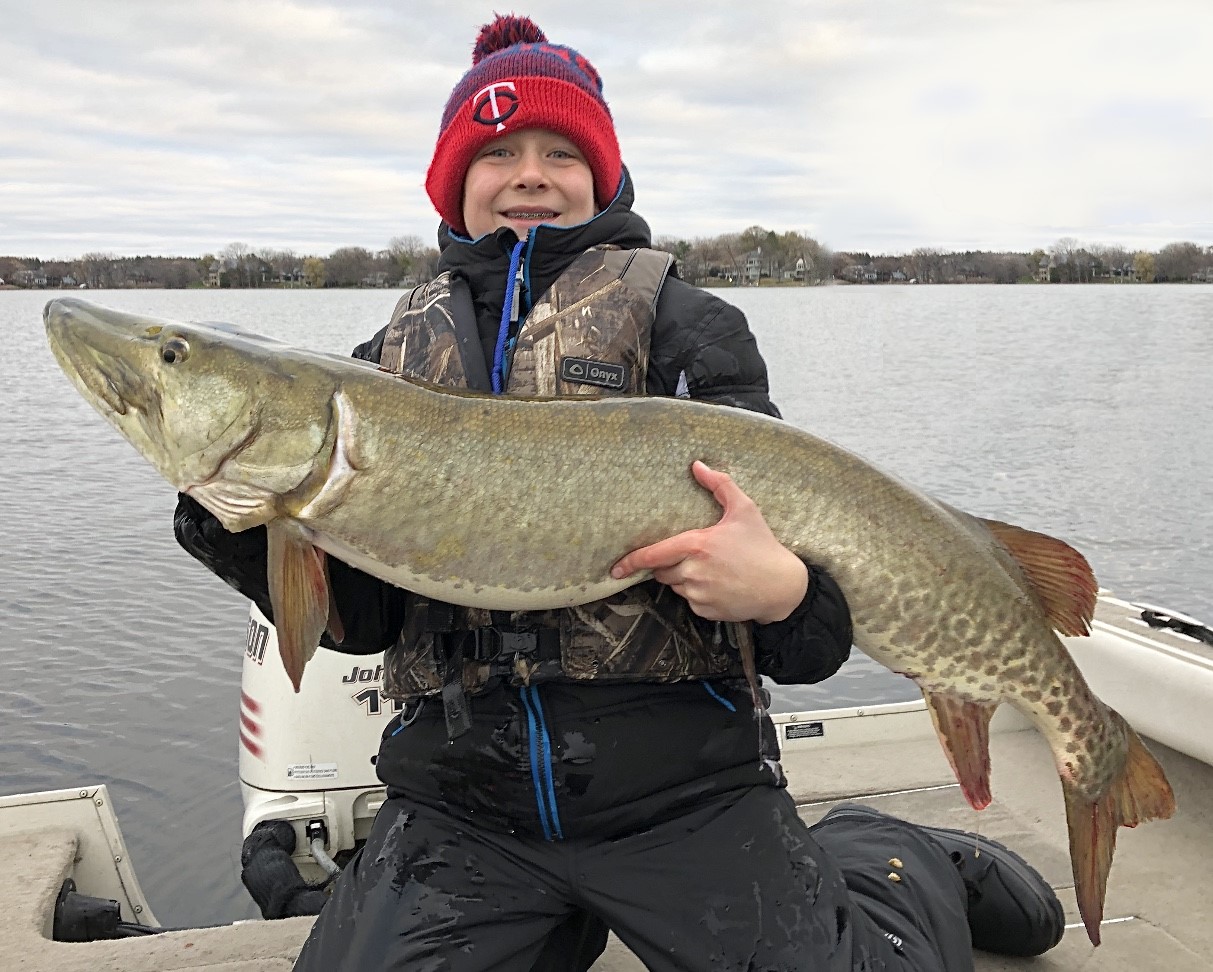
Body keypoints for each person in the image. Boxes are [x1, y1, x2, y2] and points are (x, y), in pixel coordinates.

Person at [176, 14, 1064, 971]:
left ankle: (892, 860)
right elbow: (363, 623)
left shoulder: (691, 329)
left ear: (600, 175)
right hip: (462, 810)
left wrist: (787, 597)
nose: (529, 173)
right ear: (451, 182)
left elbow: (805, 638)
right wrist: (229, 513)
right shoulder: (380, 370)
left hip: (683, 793)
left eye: (561, 151)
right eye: (497, 152)